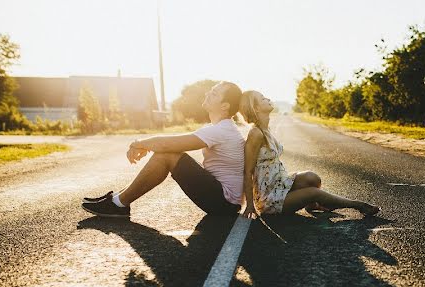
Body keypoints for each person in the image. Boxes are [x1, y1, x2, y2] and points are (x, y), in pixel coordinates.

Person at [82, 81, 246, 218]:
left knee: (168, 155)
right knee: (169, 153)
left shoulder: (221, 130)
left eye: (215, 94)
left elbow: (167, 145)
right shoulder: (219, 127)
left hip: (224, 203)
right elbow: (173, 141)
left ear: (225, 106)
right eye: (211, 90)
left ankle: (118, 203)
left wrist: (138, 143)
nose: (208, 94)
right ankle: (118, 199)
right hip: (224, 200)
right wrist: (144, 144)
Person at [237, 90, 380, 220]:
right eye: (262, 98)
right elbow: (247, 171)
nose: (267, 98)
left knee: (312, 177)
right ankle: (356, 204)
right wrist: (250, 206)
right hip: (269, 198)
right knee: (313, 192)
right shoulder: (256, 133)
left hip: (280, 185)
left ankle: (312, 205)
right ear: (255, 108)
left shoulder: (265, 129)